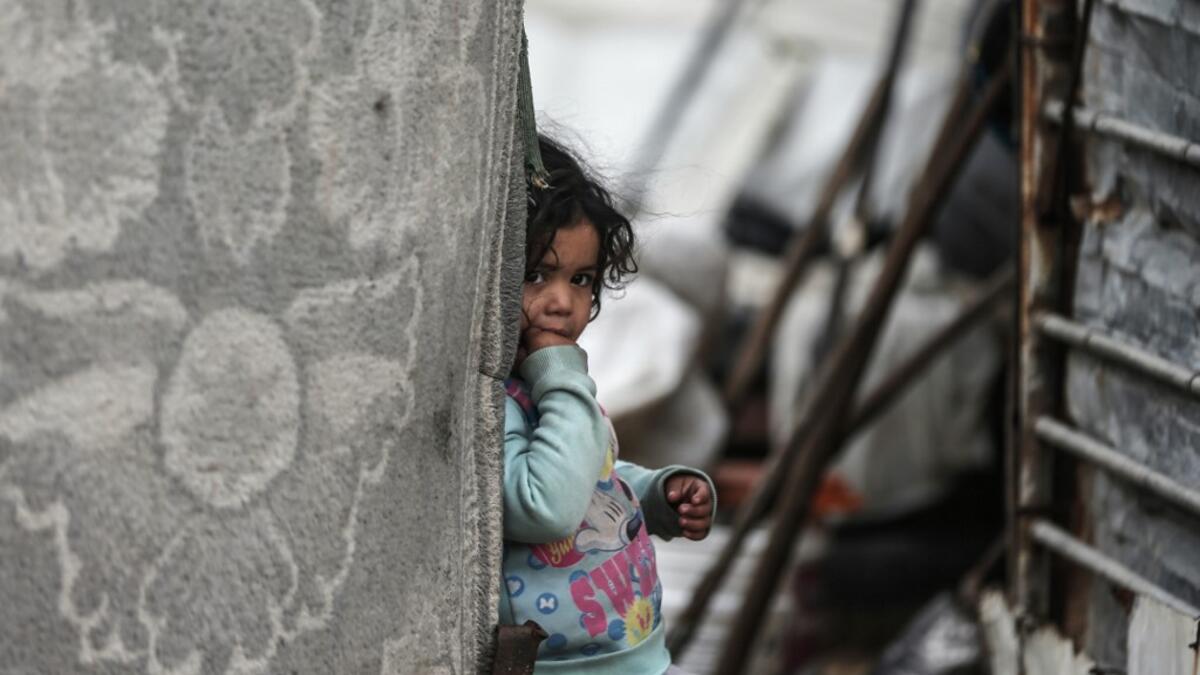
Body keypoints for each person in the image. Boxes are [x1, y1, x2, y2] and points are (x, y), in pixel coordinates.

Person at [501, 135, 716, 674]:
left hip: (639, 654)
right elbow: (546, 506)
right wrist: (561, 376)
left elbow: (592, 479)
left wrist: (655, 494)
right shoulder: (498, 404)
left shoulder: (548, 387)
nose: (563, 302)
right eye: (535, 275)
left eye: (581, 280)